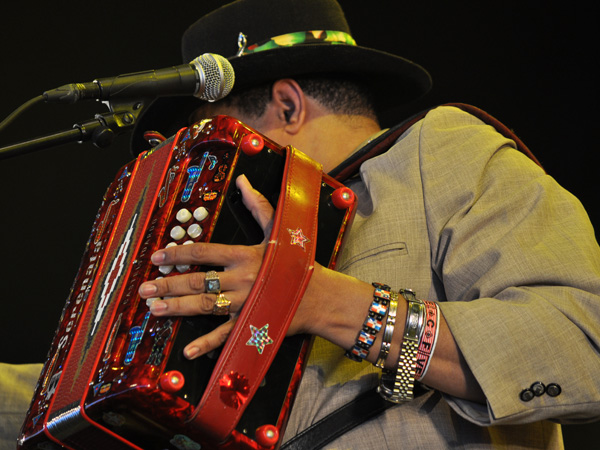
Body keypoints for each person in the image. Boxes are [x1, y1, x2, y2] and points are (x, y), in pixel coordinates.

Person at [7, 0, 600, 449]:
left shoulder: (441, 152)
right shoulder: (241, 239)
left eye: (213, 130)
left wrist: (322, 301)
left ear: (287, 106)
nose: (199, 161)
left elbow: (582, 345)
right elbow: (91, 383)